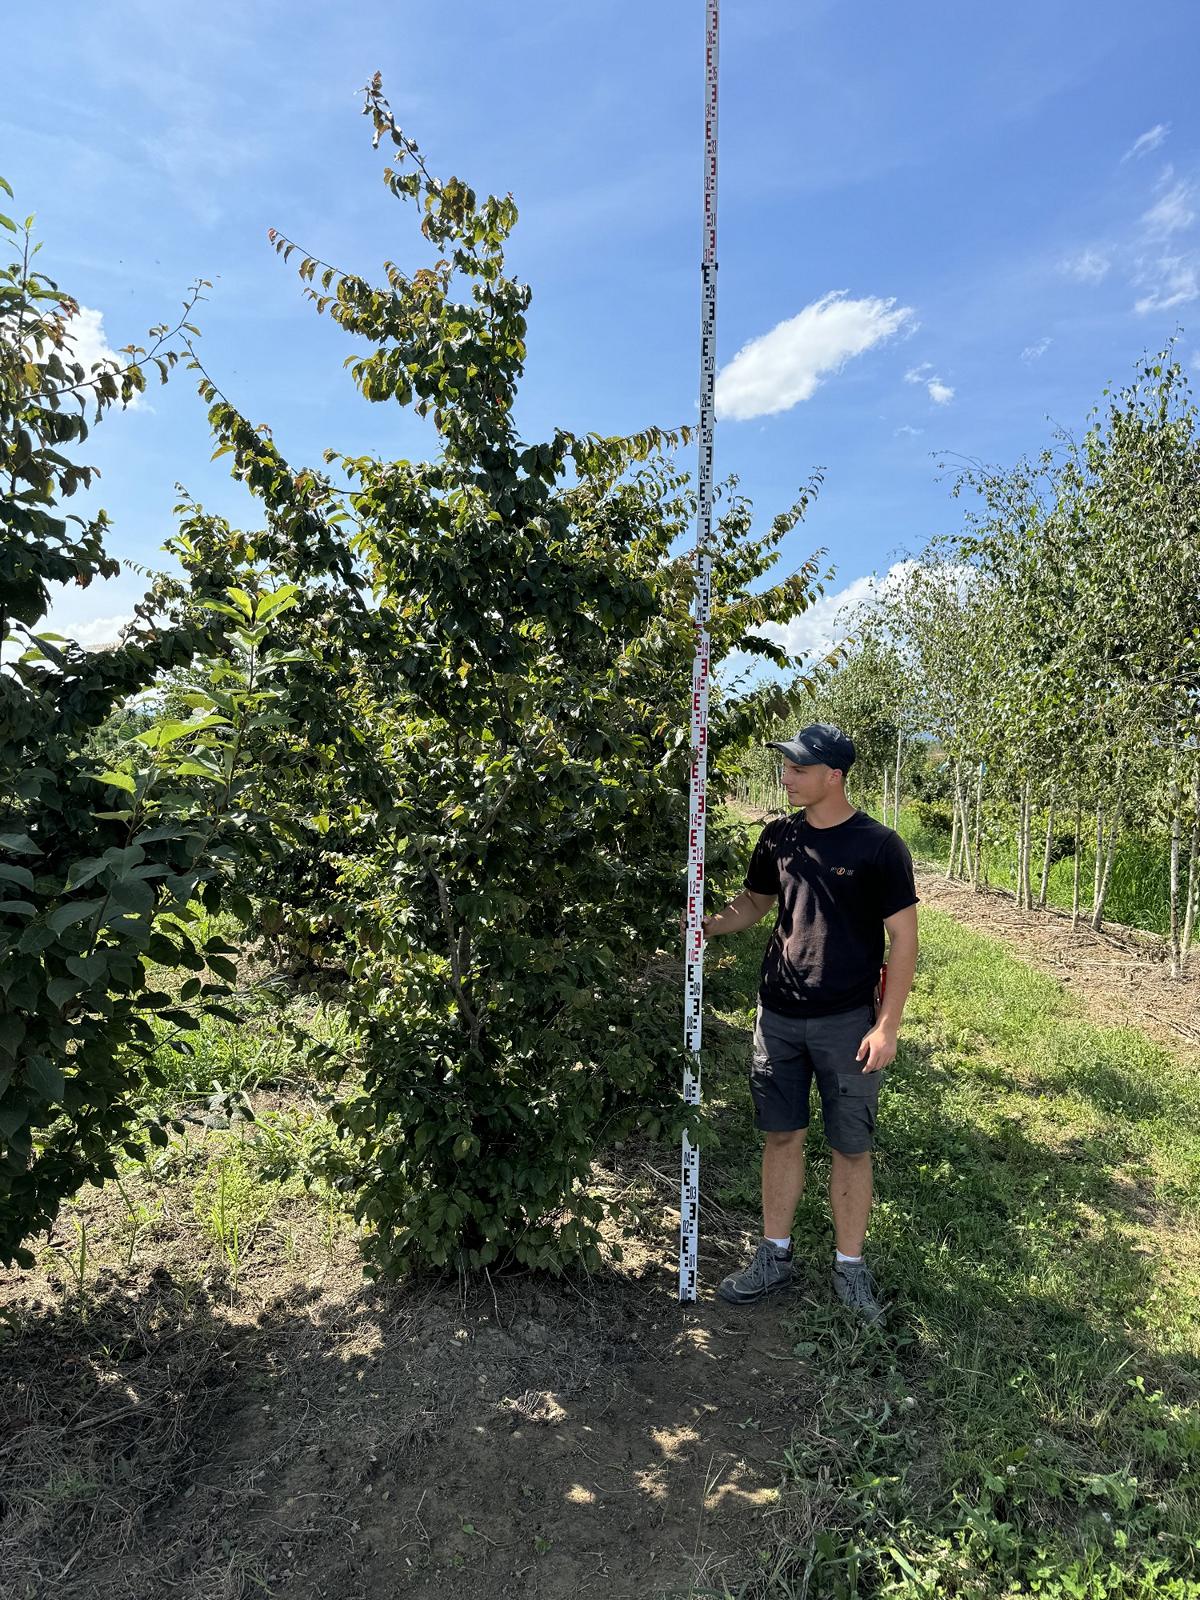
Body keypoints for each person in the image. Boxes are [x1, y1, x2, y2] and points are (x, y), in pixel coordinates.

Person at [700, 723, 918, 1322]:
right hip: (777, 1016)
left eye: (798, 769)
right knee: (781, 1135)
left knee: (850, 1146)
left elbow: (903, 939)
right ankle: (775, 1253)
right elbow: (755, 904)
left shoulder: (878, 846)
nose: (787, 777)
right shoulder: (779, 838)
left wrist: (888, 1025)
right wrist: (706, 925)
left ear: (833, 776)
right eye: (787, 767)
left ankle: (850, 1268)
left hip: (847, 1022)